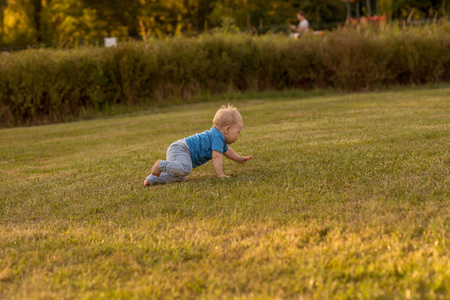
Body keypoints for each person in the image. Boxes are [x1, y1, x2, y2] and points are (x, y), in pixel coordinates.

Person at [144, 104, 253, 186]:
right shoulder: (217, 137)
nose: (238, 135)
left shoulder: (219, 139)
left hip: (180, 149)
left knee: (181, 175)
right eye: (238, 132)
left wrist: (240, 159)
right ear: (227, 129)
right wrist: (220, 174)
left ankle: (152, 179)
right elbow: (216, 156)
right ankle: (161, 165)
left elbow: (228, 151)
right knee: (186, 169)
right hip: (181, 149)